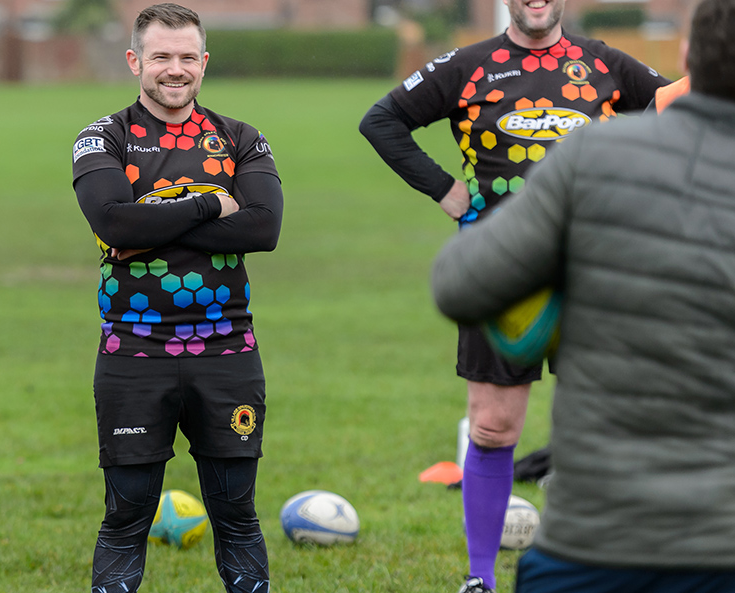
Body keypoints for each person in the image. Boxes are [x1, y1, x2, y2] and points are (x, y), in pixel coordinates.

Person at [358, 1, 668, 590]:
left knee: (604, 424)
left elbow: (677, 107)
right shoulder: (469, 65)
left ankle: (602, 565)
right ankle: (480, 578)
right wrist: (446, 190)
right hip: (501, 270)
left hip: (594, 272)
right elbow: (382, 121)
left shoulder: (604, 64)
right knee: (495, 428)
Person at [431, 2, 735, 590]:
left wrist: (558, 291)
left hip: (592, 550)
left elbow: (458, 284)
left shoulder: (595, 155)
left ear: (687, 57)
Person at [71, 4, 282, 592]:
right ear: (136, 60)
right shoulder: (103, 137)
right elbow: (115, 224)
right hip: (133, 352)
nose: (175, 69)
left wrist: (150, 220)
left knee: (237, 517)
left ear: (204, 62)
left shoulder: (242, 138)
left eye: (187, 56)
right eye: (162, 56)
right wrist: (214, 203)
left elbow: (264, 229)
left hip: (228, 353)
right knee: (126, 514)